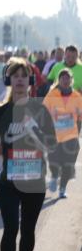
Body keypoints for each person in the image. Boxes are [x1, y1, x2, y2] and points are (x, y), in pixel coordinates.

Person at [0, 59, 58, 251]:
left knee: (27, 230)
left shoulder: (40, 110)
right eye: (14, 76)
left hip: (34, 180)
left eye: (23, 76)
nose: (19, 80)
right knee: (10, 228)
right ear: (8, 80)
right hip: (7, 180)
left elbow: (51, 143)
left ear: (30, 81)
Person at [43, 68, 82, 197]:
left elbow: (81, 116)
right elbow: (43, 112)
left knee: (68, 163)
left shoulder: (77, 96)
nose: (65, 80)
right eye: (62, 78)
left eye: (67, 78)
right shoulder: (51, 94)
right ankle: (54, 176)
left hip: (71, 135)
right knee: (54, 160)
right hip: (54, 135)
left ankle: (62, 188)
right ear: (58, 80)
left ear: (71, 80)